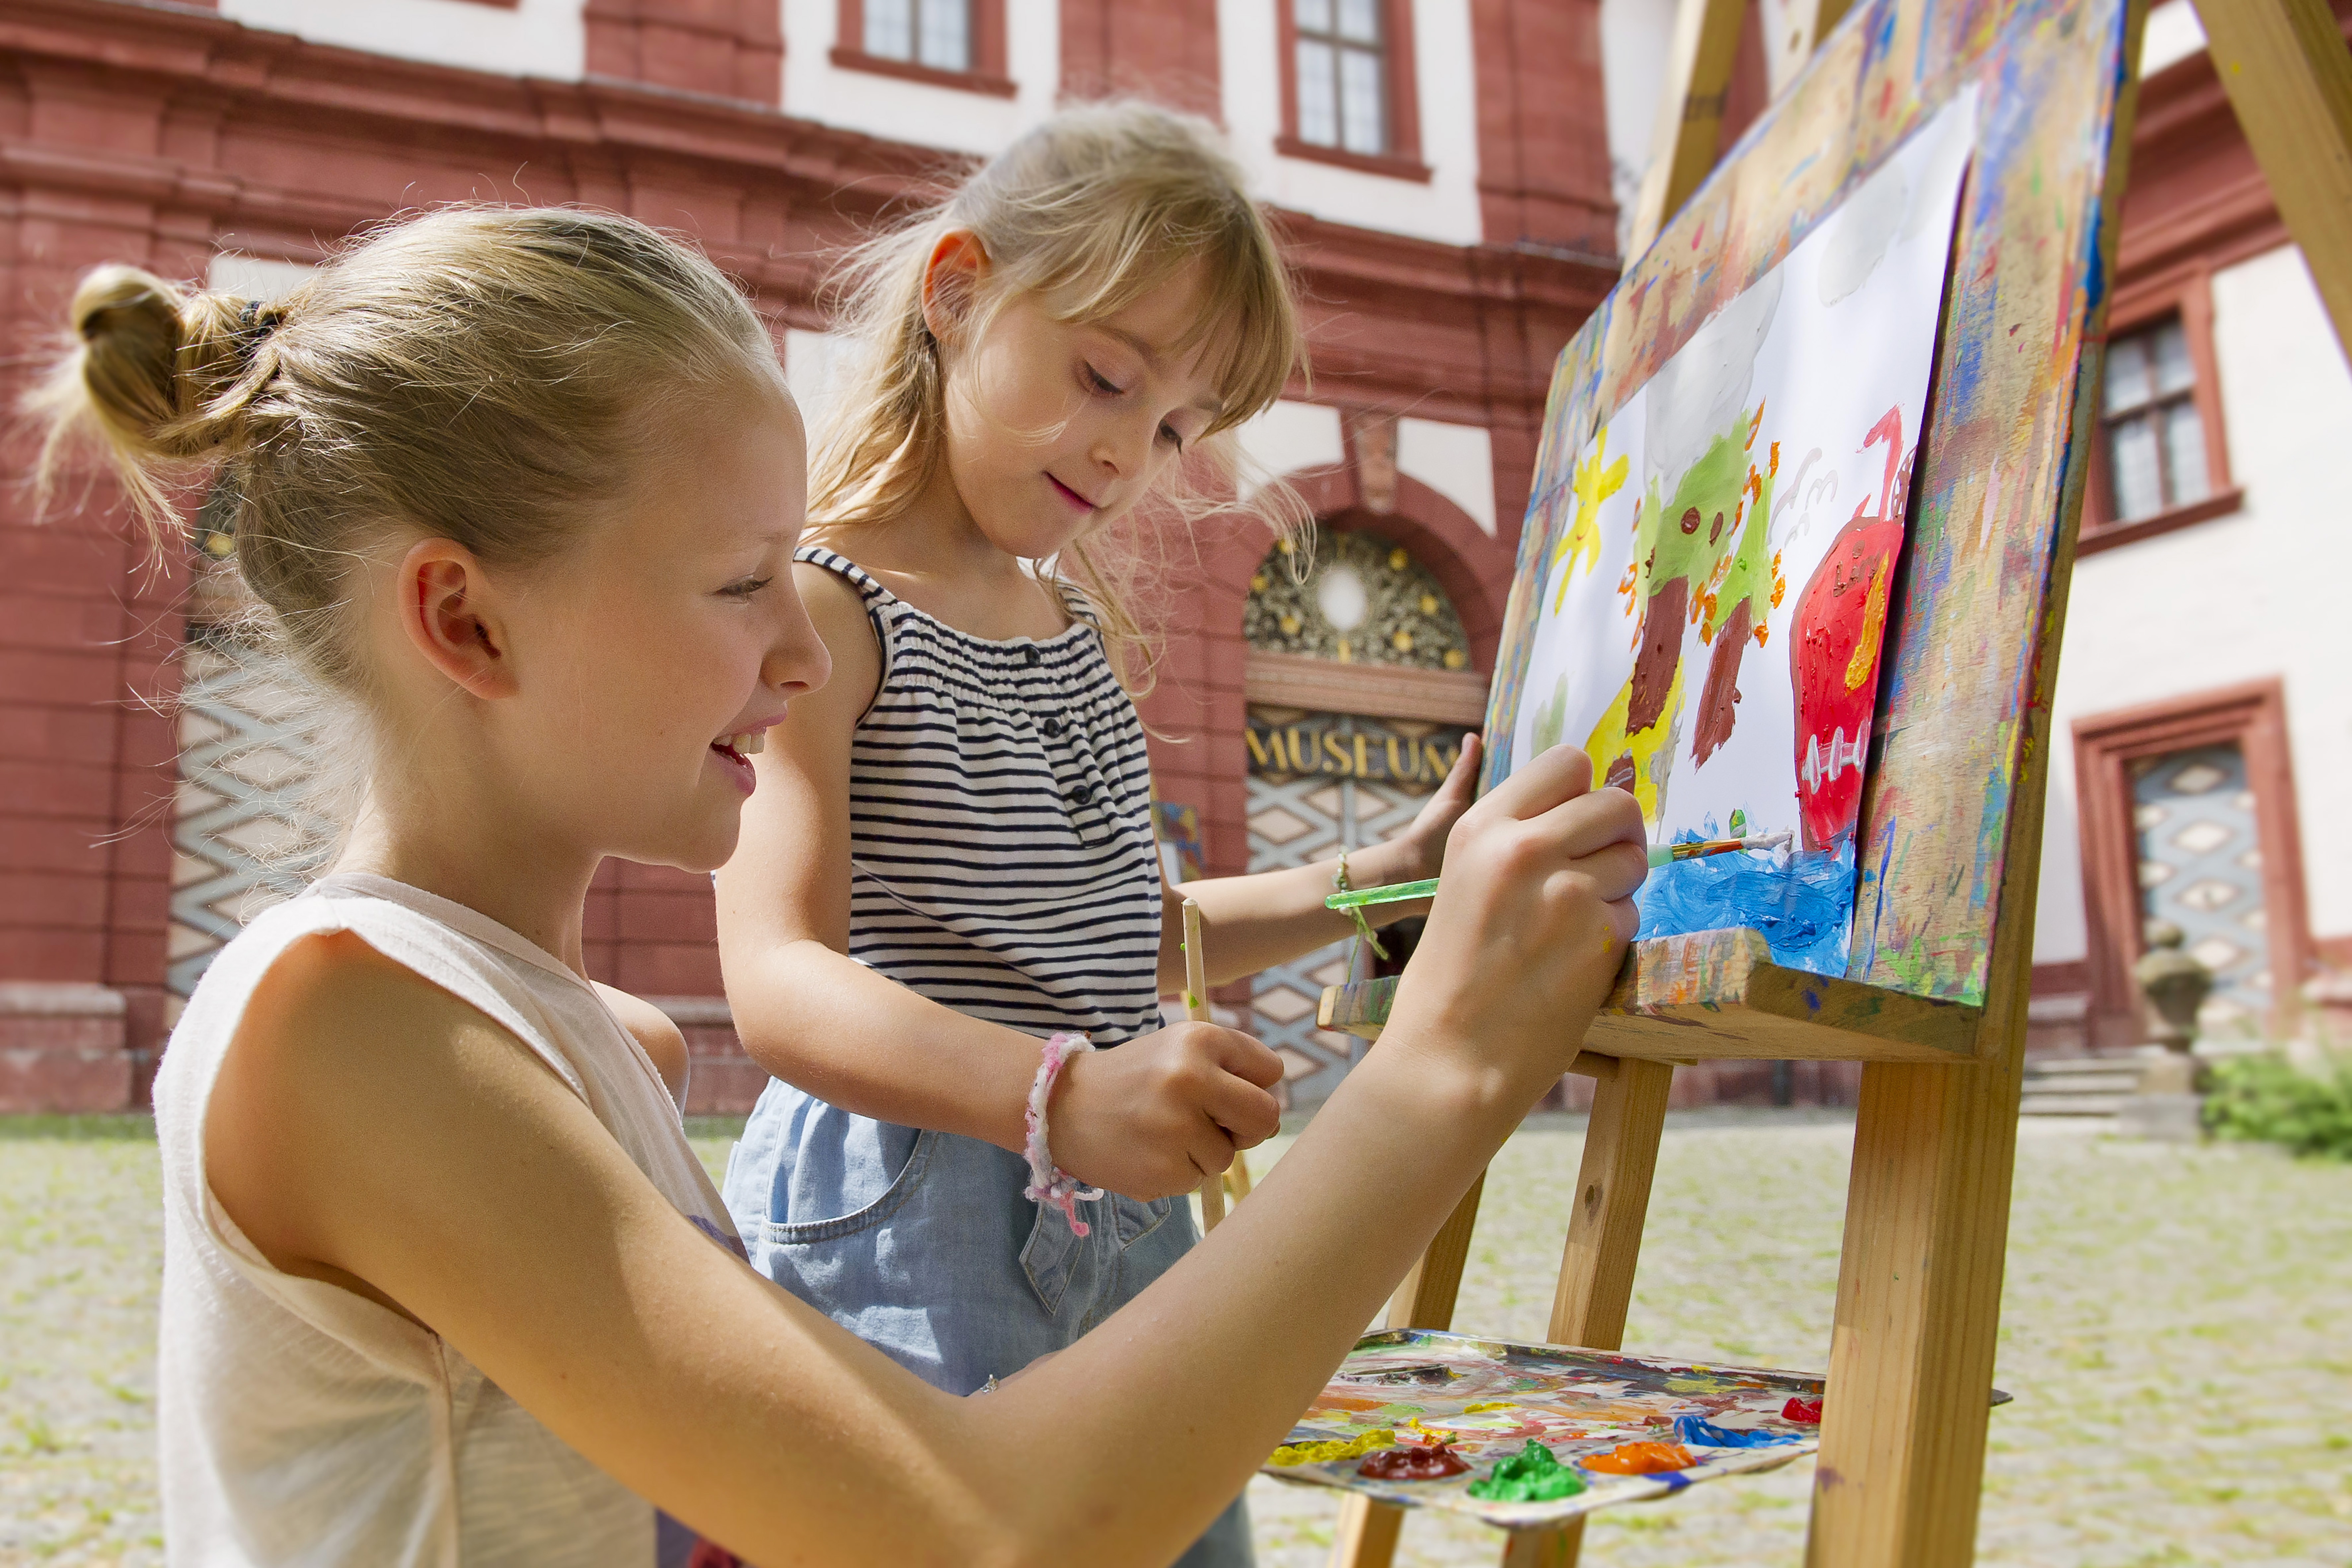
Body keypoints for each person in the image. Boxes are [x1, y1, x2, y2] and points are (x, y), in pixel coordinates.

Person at [37, 203, 1645, 1567]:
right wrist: (1439, 1070)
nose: (809, 653)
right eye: (746, 584)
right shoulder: (350, 1033)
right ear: (465, 623)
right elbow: (982, 1531)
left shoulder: (583, 1041)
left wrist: (1372, 894)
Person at [713, 103, 1477, 1564]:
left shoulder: (1069, 623)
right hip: (915, 1201)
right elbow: (778, 979)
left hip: (1118, 1199)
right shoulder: (827, 609)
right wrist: (1056, 1093)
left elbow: (1116, 937)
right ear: (955, 293)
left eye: (1176, 425)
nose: (1131, 449)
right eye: (1104, 377)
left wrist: (1373, 881)